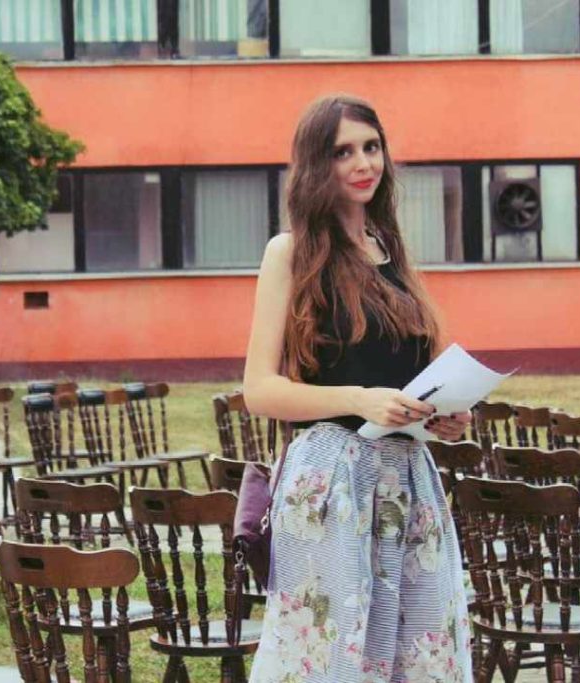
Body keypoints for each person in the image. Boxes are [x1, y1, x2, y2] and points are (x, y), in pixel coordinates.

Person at [242, 94, 472, 682]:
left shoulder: (390, 252)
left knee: (419, 652)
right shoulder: (289, 253)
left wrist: (439, 417)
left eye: (372, 147)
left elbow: (407, 378)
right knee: (335, 657)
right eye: (344, 151)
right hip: (332, 483)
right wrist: (358, 397)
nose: (363, 162)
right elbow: (260, 390)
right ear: (318, 165)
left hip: (408, 481)